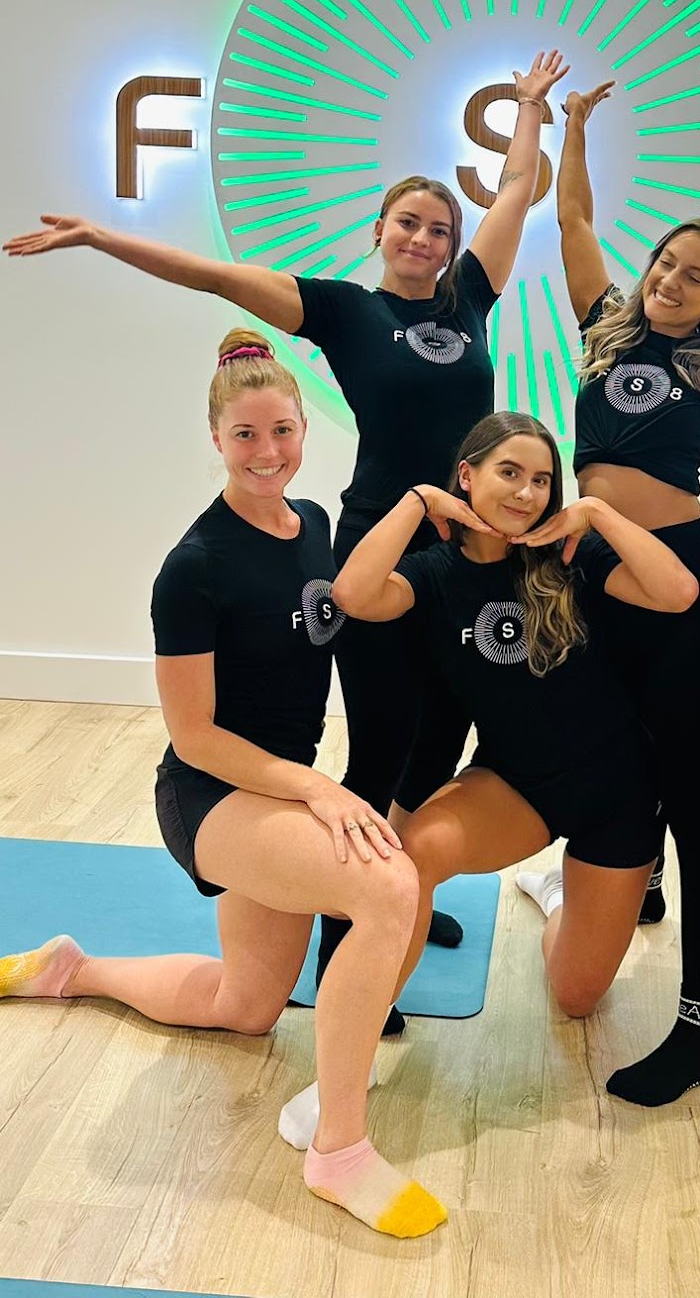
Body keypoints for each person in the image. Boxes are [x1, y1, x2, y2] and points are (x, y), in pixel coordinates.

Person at [4, 49, 568, 1026]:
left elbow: (519, 186)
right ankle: (354, 939)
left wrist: (528, 109)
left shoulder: (471, 298)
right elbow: (218, 276)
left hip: (473, 555)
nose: (428, 240)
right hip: (384, 549)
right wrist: (104, 239)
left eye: (440, 227)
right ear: (380, 232)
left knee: (441, 741)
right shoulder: (345, 312)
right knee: (387, 745)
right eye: (410, 224)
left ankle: (395, 891)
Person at [0, 330, 444, 1240]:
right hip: (211, 795)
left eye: (282, 429)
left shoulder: (313, 524)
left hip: (278, 791)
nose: (268, 451)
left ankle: (70, 970)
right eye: (246, 435)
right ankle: (340, 1151)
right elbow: (193, 735)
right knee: (389, 885)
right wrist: (316, 790)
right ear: (214, 436)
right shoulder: (194, 568)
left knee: (246, 1009)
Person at [276, 410, 698, 1148]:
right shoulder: (435, 575)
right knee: (413, 858)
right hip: (518, 786)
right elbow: (350, 593)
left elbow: (678, 592)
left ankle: (559, 891)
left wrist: (595, 510)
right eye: (509, 472)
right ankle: (354, 1059)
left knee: (575, 998)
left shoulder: (570, 554)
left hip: (620, 795)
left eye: (541, 479)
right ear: (466, 475)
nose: (528, 492)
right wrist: (415, 501)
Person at [543, 81, 700, 1107]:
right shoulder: (609, 326)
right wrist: (572, 129)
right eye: (666, 263)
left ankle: (698, 1024)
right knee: (616, 755)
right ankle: (637, 887)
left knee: (699, 797)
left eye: (695, 275)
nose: (671, 280)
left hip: (672, 580)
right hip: (584, 572)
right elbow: (574, 218)